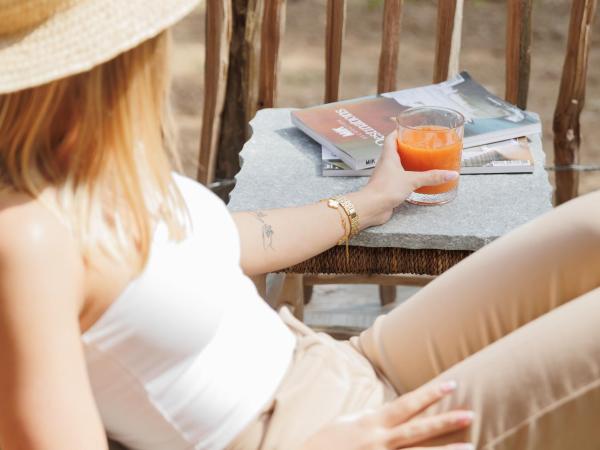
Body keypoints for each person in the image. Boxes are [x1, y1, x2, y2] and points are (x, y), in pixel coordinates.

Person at [0, 1, 598, 450]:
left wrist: (368, 202)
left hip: (345, 364)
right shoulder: (26, 239)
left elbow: (218, 243)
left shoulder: (80, 165)